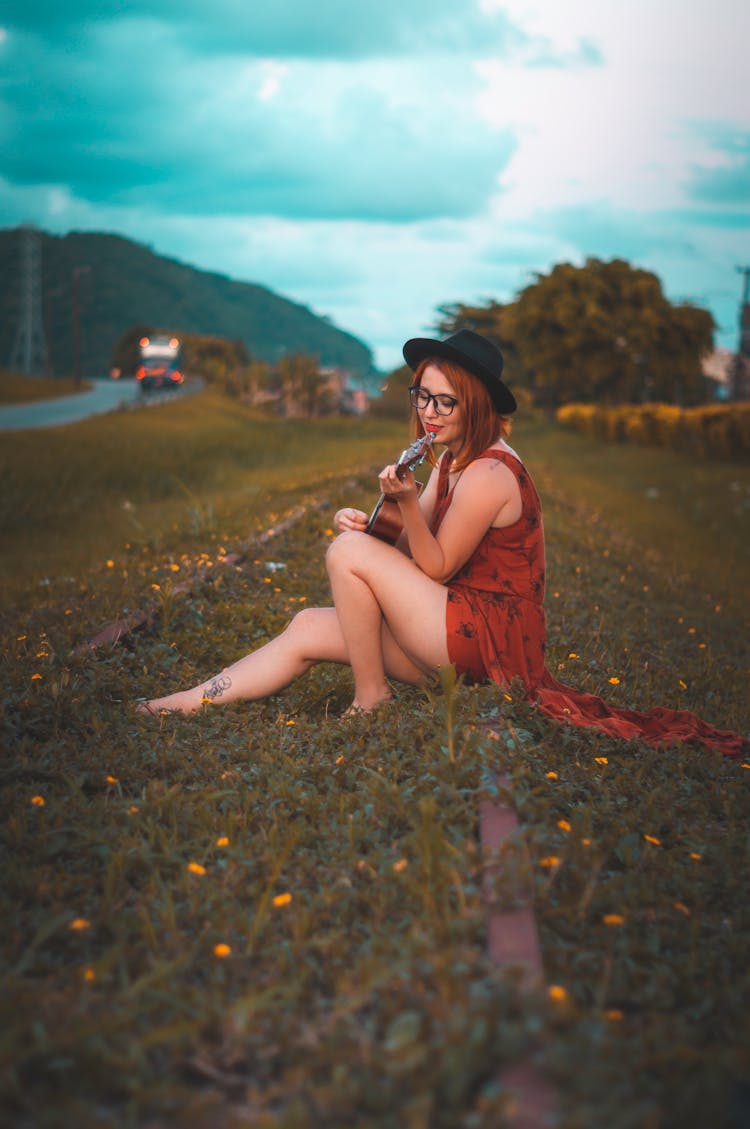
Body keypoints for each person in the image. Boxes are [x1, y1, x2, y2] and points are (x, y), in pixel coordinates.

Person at [137, 331, 746, 757]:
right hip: (455, 633)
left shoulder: (489, 473)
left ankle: (371, 698)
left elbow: (438, 563)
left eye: (443, 401)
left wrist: (395, 514)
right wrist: (373, 524)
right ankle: (183, 702)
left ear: (473, 403)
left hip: (489, 639)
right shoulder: (454, 461)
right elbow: (404, 549)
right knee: (306, 624)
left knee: (347, 558)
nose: (428, 412)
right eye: (421, 396)